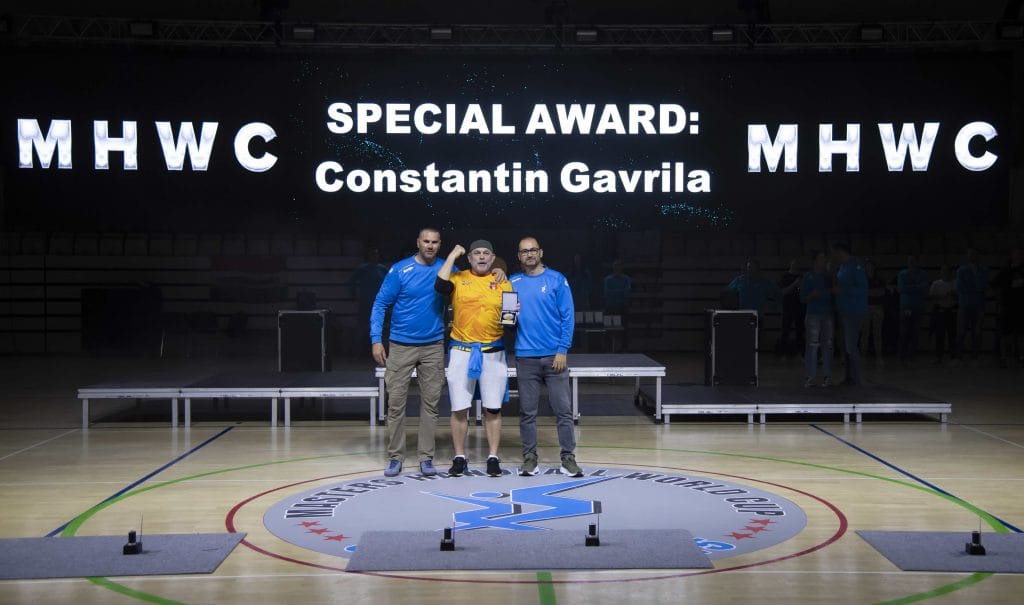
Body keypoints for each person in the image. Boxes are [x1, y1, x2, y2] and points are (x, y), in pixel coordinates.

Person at [370, 228, 446, 478]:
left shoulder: (447, 268)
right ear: (418, 242)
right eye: (426, 241)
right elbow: (380, 303)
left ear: (439, 244)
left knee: (431, 404)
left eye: (434, 242)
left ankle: (426, 457)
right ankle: (396, 457)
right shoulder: (400, 270)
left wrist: (498, 271)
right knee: (395, 404)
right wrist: (376, 340)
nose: (430, 245)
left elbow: (472, 280)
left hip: (433, 346)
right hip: (401, 345)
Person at [435, 240, 513, 478]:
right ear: (469, 258)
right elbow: (439, 285)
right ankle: (459, 456)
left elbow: (510, 322)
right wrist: (452, 255)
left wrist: (512, 313)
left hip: (493, 352)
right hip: (462, 351)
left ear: (492, 258)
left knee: (493, 408)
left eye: (486, 253)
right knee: (459, 408)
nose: (481, 256)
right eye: (476, 253)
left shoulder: (504, 283)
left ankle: (493, 457)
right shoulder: (458, 279)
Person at [510, 236, 581, 477]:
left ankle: (568, 458)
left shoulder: (557, 279)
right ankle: (530, 458)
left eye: (533, 250)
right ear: (519, 256)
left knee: (563, 411)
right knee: (527, 412)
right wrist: (509, 316)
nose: (529, 254)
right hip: (525, 357)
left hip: (554, 357)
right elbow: (508, 323)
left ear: (540, 253)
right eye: (524, 251)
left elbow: (568, 317)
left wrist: (562, 350)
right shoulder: (512, 282)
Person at [831, 242, 868, 386]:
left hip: (854, 310)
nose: (834, 257)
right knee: (847, 346)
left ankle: (856, 379)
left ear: (840, 252)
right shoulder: (842, 267)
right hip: (844, 311)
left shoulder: (856, 265)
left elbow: (862, 288)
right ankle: (849, 377)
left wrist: (842, 291)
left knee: (851, 346)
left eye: (835, 253)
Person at [726, 258, 781, 350]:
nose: (749, 269)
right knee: (741, 343)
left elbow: (777, 294)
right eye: (748, 267)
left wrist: (773, 305)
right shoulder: (739, 280)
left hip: (757, 317)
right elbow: (727, 293)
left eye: (752, 267)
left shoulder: (765, 282)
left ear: (757, 269)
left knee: (755, 344)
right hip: (741, 316)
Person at [801, 251, 834, 387]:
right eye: (821, 258)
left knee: (828, 345)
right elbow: (802, 298)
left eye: (825, 258)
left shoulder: (829, 276)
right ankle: (811, 376)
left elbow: (834, 294)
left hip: (827, 314)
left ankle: (827, 376)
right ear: (815, 261)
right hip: (813, 314)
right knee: (812, 345)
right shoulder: (808, 276)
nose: (824, 260)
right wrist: (812, 296)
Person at [350, 247, 388, 354]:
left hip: (379, 303)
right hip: (365, 302)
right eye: (372, 254)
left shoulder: (382, 269)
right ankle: (356, 353)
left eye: (376, 254)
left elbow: (389, 284)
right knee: (361, 327)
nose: (374, 257)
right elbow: (351, 281)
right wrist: (353, 294)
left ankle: (382, 352)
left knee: (381, 327)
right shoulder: (362, 268)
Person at [953, 248, 988, 363]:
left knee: (977, 332)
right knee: (961, 331)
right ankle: (958, 356)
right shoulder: (961, 270)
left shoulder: (983, 270)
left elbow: (984, 286)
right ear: (967, 256)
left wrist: (971, 287)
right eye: (970, 254)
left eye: (974, 254)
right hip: (965, 304)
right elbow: (959, 287)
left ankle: (975, 356)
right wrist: (975, 288)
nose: (972, 256)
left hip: (978, 304)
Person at [992, 249, 1024, 367]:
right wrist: (1000, 302)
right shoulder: (1005, 271)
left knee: (1021, 334)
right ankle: (1004, 357)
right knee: (1005, 333)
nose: (1018, 256)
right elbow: (995, 284)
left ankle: (1021, 357)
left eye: (1020, 254)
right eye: (1016, 254)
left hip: (1021, 307)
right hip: (1007, 306)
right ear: (1011, 256)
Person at [896, 255, 929, 363]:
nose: (911, 262)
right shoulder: (902, 274)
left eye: (913, 260)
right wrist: (917, 287)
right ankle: (902, 355)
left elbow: (924, 288)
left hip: (918, 306)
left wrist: (910, 287)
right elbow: (901, 288)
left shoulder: (923, 274)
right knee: (904, 331)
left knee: (915, 332)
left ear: (917, 262)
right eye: (910, 261)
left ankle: (911, 356)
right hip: (907, 306)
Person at [928, 265, 957, 364]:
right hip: (940, 311)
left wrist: (953, 294)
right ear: (941, 272)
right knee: (939, 334)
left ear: (950, 272)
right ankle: (938, 356)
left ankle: (953, 356)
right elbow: (931, 296)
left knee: (952, 334)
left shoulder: (955, 283)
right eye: (943, 271)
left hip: (952, 311)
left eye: (947, 271)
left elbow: (959, 296)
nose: (945, 273)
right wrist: (942, 296)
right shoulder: (936, 283)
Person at [777, 258, 804, 360]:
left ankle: (800, 353)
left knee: (800, 332)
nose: (796, 265)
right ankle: (783, 353)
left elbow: (804, 291)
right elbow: (783, 292)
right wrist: (795, 284)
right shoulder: (784, 277)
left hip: (800, 307)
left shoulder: (802, 277)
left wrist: (800, 286)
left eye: (798, 264)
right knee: (785, 331)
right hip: (788, 307)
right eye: (794, 263)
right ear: (790, 264)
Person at [860, 259, 885, 365]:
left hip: (878, 308)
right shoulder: (861, 280)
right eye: (867, 266)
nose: (869, 267)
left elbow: (881, 292)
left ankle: (879, 357)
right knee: (865, 334)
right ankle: (863, 356)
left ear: (874, 267)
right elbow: (862, 293)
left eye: (871, 265)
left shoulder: (879, 279)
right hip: (866, 308)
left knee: (877, 334)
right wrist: (873, 292)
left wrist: (870, 292)